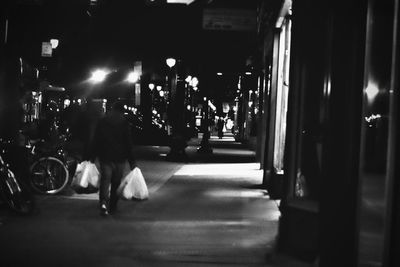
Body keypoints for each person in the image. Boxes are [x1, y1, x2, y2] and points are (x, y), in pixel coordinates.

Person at [90, 101, 136, 216]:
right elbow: (128, 142)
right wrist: (132, 161)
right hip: (120, 157)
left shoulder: (103, 121)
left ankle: (103, 203)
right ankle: (113, 206)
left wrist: (92, 156)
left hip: (105, 156)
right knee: (116, 182)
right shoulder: (124, 123)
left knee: (105, 180)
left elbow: (97, 139)